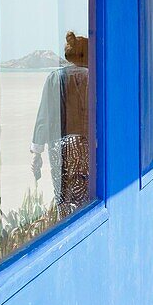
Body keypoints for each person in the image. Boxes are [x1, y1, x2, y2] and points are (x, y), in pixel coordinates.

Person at [30, 31, 91, 213]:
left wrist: (37, 151)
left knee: (62, 194)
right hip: (83, 143)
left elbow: (44, 116)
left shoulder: (53, 78)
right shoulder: (90, 77)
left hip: (58, 144)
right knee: (84, 194)